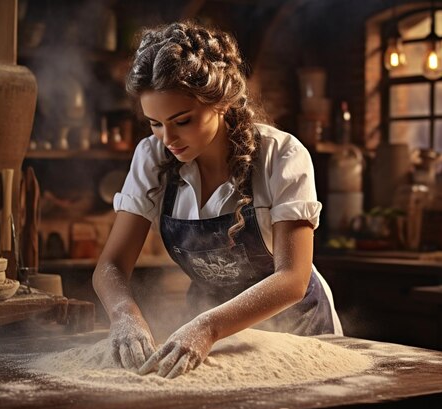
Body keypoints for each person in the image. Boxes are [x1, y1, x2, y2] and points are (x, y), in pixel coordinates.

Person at [92, 20, 342, 379]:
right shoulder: (153, 157)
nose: (168, 138)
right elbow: (110, 266)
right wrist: (124, 315)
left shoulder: (281, 156)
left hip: (297, 332)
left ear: (221, 102)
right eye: (155, 123)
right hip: (214, 335)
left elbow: (292, 278)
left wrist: (207, 327)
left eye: (182, 120)